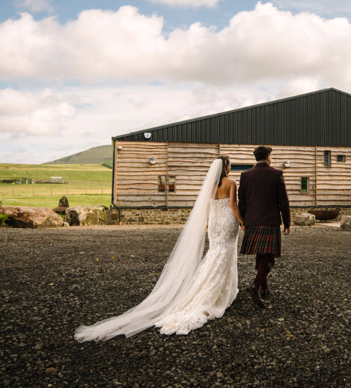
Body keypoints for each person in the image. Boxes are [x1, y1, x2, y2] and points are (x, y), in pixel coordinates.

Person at [74, 156, 243, 341]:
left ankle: (209, 287)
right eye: (229, 165)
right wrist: (242, 221)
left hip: (215, 223)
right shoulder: (231, 182)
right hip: (227, 221)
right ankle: (219, 292)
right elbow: (233, 205)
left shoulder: (210, 185)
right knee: (225, 254)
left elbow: (208, 207)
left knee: (214, 254)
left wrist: (207, 223)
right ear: (226, 167)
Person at [238, 146, 291, 308]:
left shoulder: (245, 175)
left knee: (262, 252)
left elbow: (243, 202)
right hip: (270, 220)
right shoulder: (276, 174)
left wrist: (242, 221)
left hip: (252, 220)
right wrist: (287, 222)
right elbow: (283, 201)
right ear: (268, 157)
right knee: (270, 255)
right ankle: (255, 285)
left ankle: (264, 288)